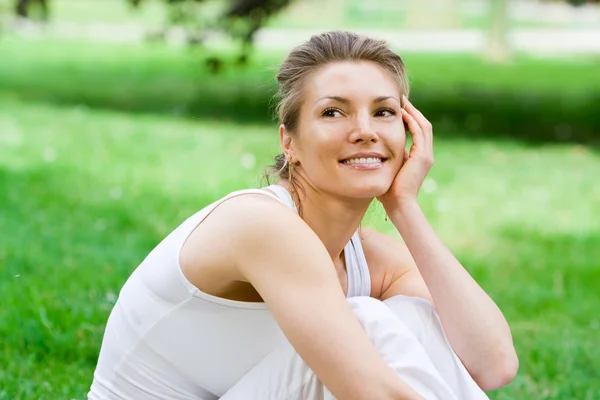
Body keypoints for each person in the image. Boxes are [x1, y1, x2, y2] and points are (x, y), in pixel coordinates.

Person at [88, 30, 518, 400]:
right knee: (366, 321)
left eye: (383, 112)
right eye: (333, 112)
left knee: (411, 317)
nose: (365, 130)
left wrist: (403, 205)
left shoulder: (368, 260)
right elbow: (372, 392)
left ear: (408, 133)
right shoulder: (261, 225)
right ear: (289, 142)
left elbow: (493, 364)